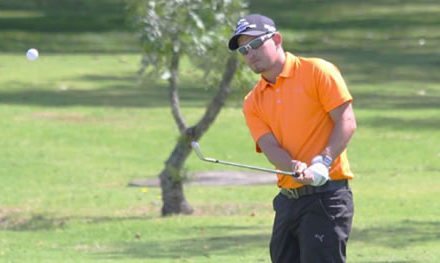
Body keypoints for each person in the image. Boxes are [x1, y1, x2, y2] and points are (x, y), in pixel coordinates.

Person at [228, 14, 357, 263]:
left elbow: (347, 121)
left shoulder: (317, 71)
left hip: (327, 198)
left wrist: (323, 161)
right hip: (288, 202)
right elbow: (269, 146)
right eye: (244, 50)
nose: (250, 54)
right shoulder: (253, 100)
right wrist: (294, 166)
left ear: (276, 39)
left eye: (255, 44)